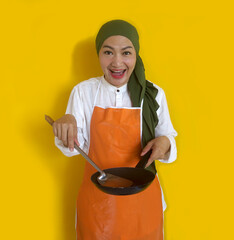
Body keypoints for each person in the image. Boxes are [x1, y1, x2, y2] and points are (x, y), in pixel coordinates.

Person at [53, 20, 177, 240]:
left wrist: (165, 143)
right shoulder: (83, 92)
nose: (117, 62)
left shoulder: (153, 94)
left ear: (135, 55)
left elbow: (168, 138)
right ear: (98, 54)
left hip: (144, 203)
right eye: (108, 52)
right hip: (98, 205)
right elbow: (73, 148)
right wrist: (66, 127)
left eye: (126, 53)